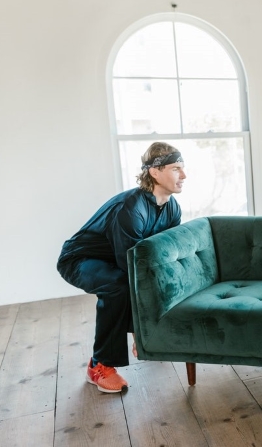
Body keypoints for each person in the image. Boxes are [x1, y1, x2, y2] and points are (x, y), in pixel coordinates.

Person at [57, 142, 186, 393]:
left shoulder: (172, 208)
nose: (184, 175)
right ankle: (99, 366)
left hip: (116, 260)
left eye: (183, 168)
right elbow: (130, 266)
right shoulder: (131, 208)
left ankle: (147, 339)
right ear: (155, 172)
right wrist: (138, 327)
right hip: (79, 259)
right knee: (117, 285)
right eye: (176, 168)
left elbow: (165, 255)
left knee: (144, 279)